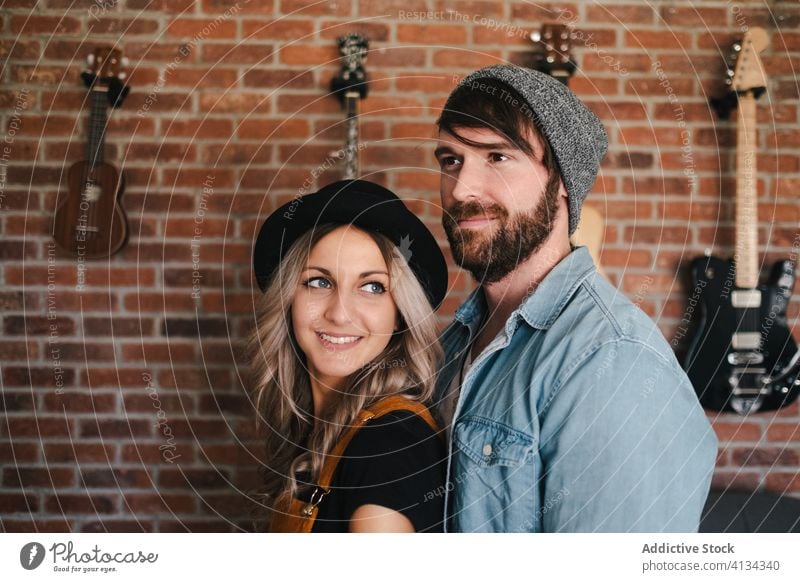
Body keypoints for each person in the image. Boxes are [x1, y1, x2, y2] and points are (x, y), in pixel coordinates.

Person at [432, 64, 718, 532]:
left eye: (497, 158)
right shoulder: (457, 341)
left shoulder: (613, 362)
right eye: (451, 160)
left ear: (562, 179)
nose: (462, 189)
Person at [249, 179, 448, 532]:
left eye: (372, 287)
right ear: (288, 299)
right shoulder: (323, 431)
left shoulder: (389, 445)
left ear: (400, 312)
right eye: (319, 282)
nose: (340, 314)